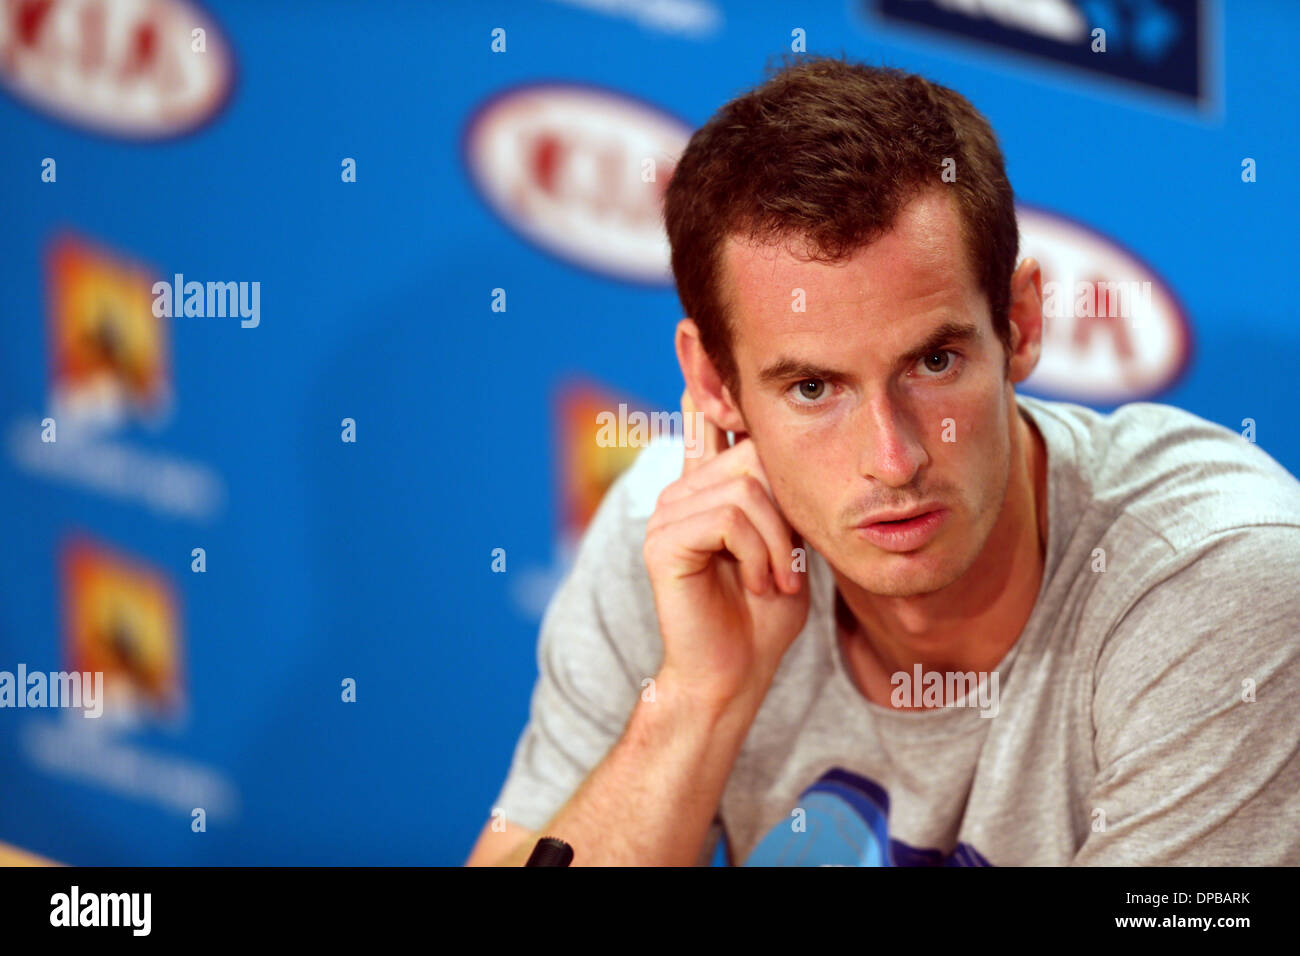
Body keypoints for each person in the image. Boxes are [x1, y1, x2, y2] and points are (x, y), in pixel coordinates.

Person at [465, 55, 1300, 866]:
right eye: (813, 388)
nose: (894, 460)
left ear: (1018, 324)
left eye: (933, 364)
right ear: (713, 384)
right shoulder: (681, 540)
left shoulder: (1217, 584)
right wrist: (694, 702)